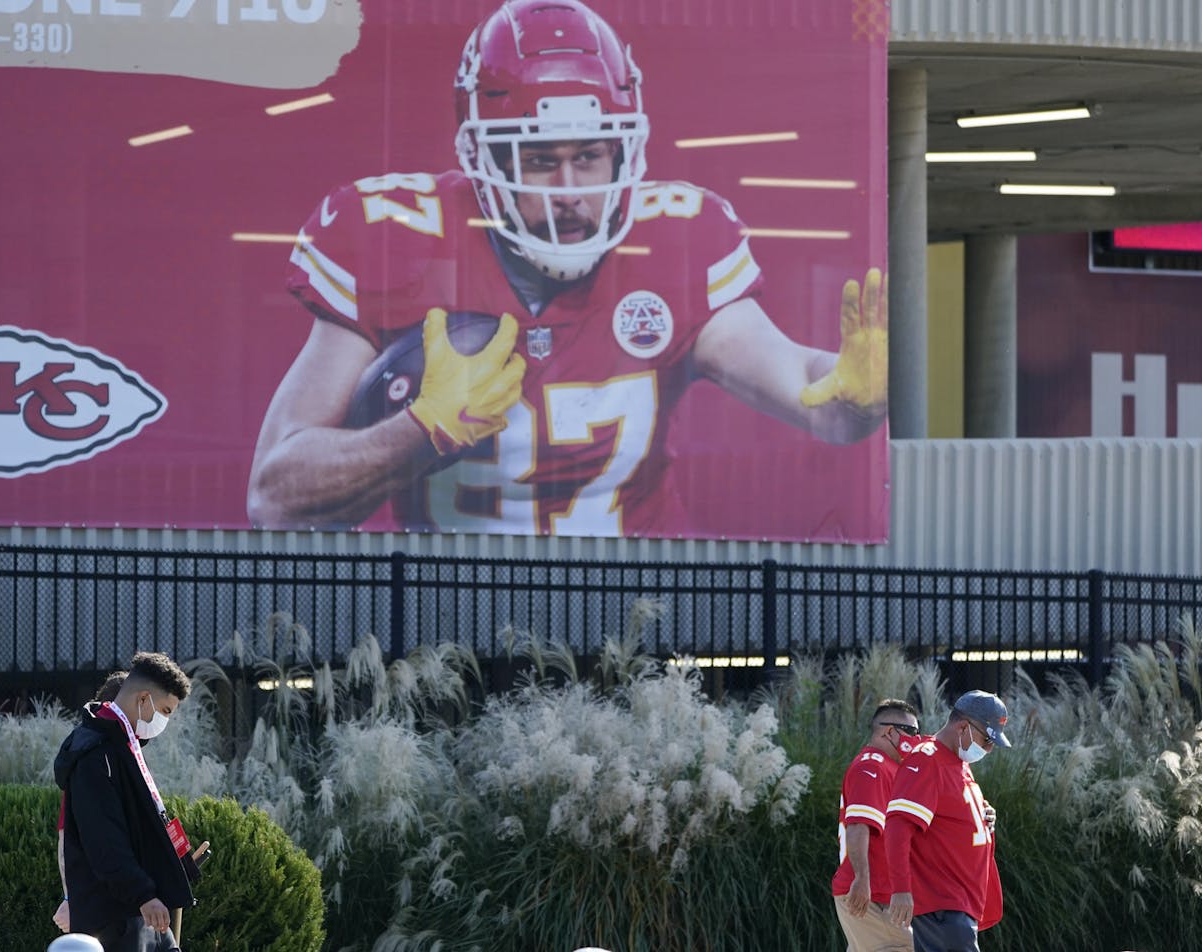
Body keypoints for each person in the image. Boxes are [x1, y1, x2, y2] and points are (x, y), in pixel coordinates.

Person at [247, 0, 888, 537]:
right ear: (484, 160)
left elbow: (811, 395)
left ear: (623, 152)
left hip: (637, 620)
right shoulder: (399, 240)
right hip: (448, 626)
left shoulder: (678, 240)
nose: (570, 190)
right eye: (540, 159)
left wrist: (853, 398)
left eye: (589, 155)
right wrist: (422, 430)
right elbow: (274, 497)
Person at [53, 652, 196, 952]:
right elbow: (104, 839)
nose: (165, 721)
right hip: (117, 917)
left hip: (143, 910)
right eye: (166, 711)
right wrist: (143, 894)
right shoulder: (95, 754)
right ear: (144, 699)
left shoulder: (125, 745)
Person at [885, 690, 1013, 952]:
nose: (988, 749)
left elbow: (949, 811)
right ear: (963, 726)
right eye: (987, 740)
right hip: (942, 905)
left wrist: (982, 813)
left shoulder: (955, 760)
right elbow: (898, 825)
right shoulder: (928, 759)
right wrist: (901, 889)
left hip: (956, 905)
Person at [832, 699, 921, 952]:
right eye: (912, 731)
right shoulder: (872, 766)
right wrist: (862, 878)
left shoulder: (889, 766)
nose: (917, 738)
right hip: (871, 893)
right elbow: (859, 825)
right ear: (889, 731)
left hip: (877, 892)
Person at [54, 669, 129, 934]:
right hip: (98, 905)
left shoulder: (123, 753)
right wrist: (69, 899)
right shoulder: (91, 754)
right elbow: (67, 834)